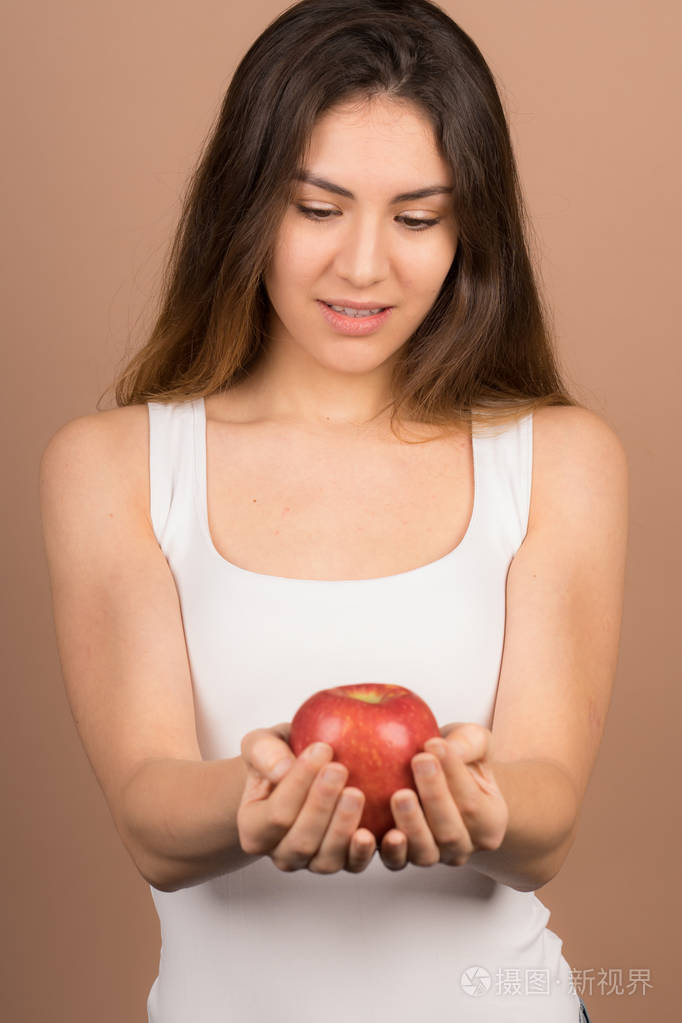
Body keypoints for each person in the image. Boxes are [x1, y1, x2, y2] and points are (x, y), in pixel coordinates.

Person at [39, 1, 627, 1021]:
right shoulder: (113, 467)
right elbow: (149, 814)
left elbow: (548, 820)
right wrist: (259, 800)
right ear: (244, 206)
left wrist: (482, 805)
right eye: (317, 209)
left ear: (468, 229)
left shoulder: (560, 458)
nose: (364, 266)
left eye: (416, 217)